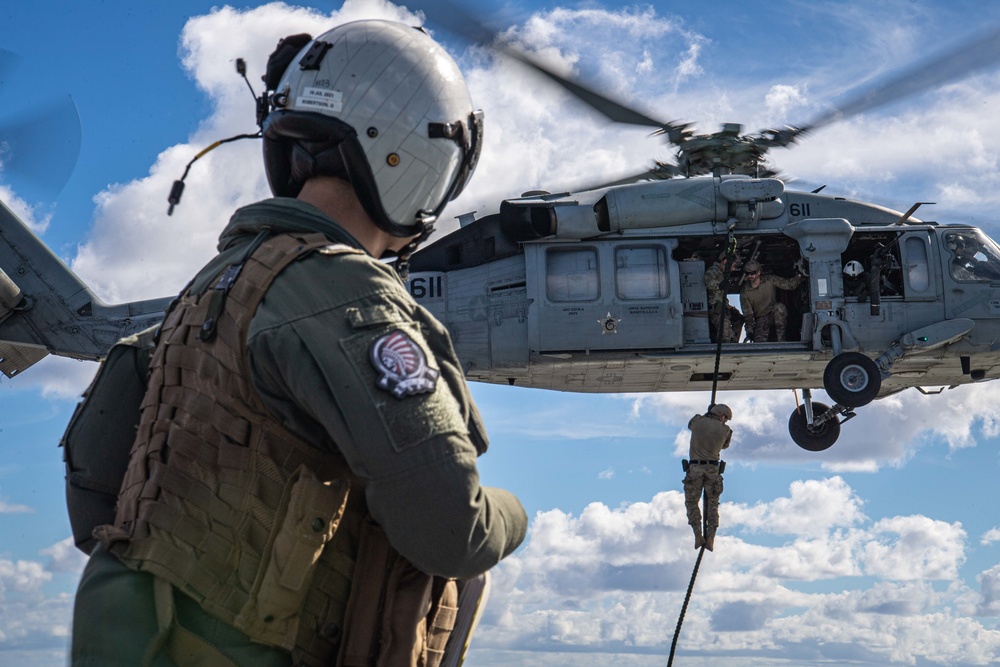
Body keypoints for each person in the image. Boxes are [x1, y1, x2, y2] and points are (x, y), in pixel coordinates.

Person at [71, 21, 527, 667]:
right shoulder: (352, 296)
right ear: (416, 155)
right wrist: (514, 514)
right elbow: (451, 531)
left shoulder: (205, 292)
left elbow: (93, 492)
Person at [683, 404, 733, 551]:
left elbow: (690, 425)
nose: (726, 422)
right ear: (722, 416)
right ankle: (711, 538)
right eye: (726, 419)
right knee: (712, 504)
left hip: (695, 469)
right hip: (712, 470)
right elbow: (724, 446)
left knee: (692, 502)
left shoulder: (697, 421)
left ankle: (698, 535)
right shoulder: (726, 430)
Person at [739, 259, 803, 342]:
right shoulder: (745, 292)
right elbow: (748, 315)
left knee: (779, 308)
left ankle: (781, 341)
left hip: (773, 313)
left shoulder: (770, 280)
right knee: (759, 345)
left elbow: (789, 285)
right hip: (760, 319)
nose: (750, 276)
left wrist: (799, 275)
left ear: (758, 273)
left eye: (752, 273)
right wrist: (749, 331)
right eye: (747, 273)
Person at [704, 252, 745, 343]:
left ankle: (733, 340)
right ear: (726, 261)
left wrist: (731, 309)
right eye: (733, 266)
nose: (733, 269)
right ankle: (726, 342)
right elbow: (708, 281)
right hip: (715, 309)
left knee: (739, 319)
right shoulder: (713, 271)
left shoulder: (722, 274)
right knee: (725, 327)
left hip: (722, 307)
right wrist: (719, 285)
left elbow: (721, 297)